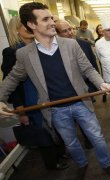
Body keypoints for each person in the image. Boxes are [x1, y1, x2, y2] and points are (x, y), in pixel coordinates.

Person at [0, 2, 110, 179]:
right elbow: (11, 79)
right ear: (31, 25)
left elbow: (88, 69)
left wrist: (101, 83)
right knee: (71, 143)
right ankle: (82, 165)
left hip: (81, 103)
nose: (52, 22)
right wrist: (0, 99)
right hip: (56, 110)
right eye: (46, 19)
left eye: (51, 18)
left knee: (98, 138)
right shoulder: (25, 54)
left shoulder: (70, 45)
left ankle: (106, 164)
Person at [1, 16, 68, 170]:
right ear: (16, 30)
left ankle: (60, 153)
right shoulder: (11, 52)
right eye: (25, 26)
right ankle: (52, 163)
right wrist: (20, 108)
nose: (30, 28)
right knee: (42, 131)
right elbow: (12, 82)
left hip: (49, 96)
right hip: (31, 100)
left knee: (56, 126)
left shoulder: (39, 47)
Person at [55, 19, 98, 149]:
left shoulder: (84, 45)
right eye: (65, 31)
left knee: (89, 122)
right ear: (57, 34)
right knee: (70, 123)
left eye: (71, 29)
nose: (70, 33)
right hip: (66, 93)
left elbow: (92, 66)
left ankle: (89, 139)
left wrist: (92, 88)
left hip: (84, 89)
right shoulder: (56, 50)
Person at [95, 23, 107, 103]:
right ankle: (104, 93)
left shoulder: (108, 38)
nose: (100, 29)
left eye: (101, 28)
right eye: (99, 28)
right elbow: (97, 54)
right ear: (97, 31)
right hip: (102, 61)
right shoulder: (96, 41)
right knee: (104, 77)